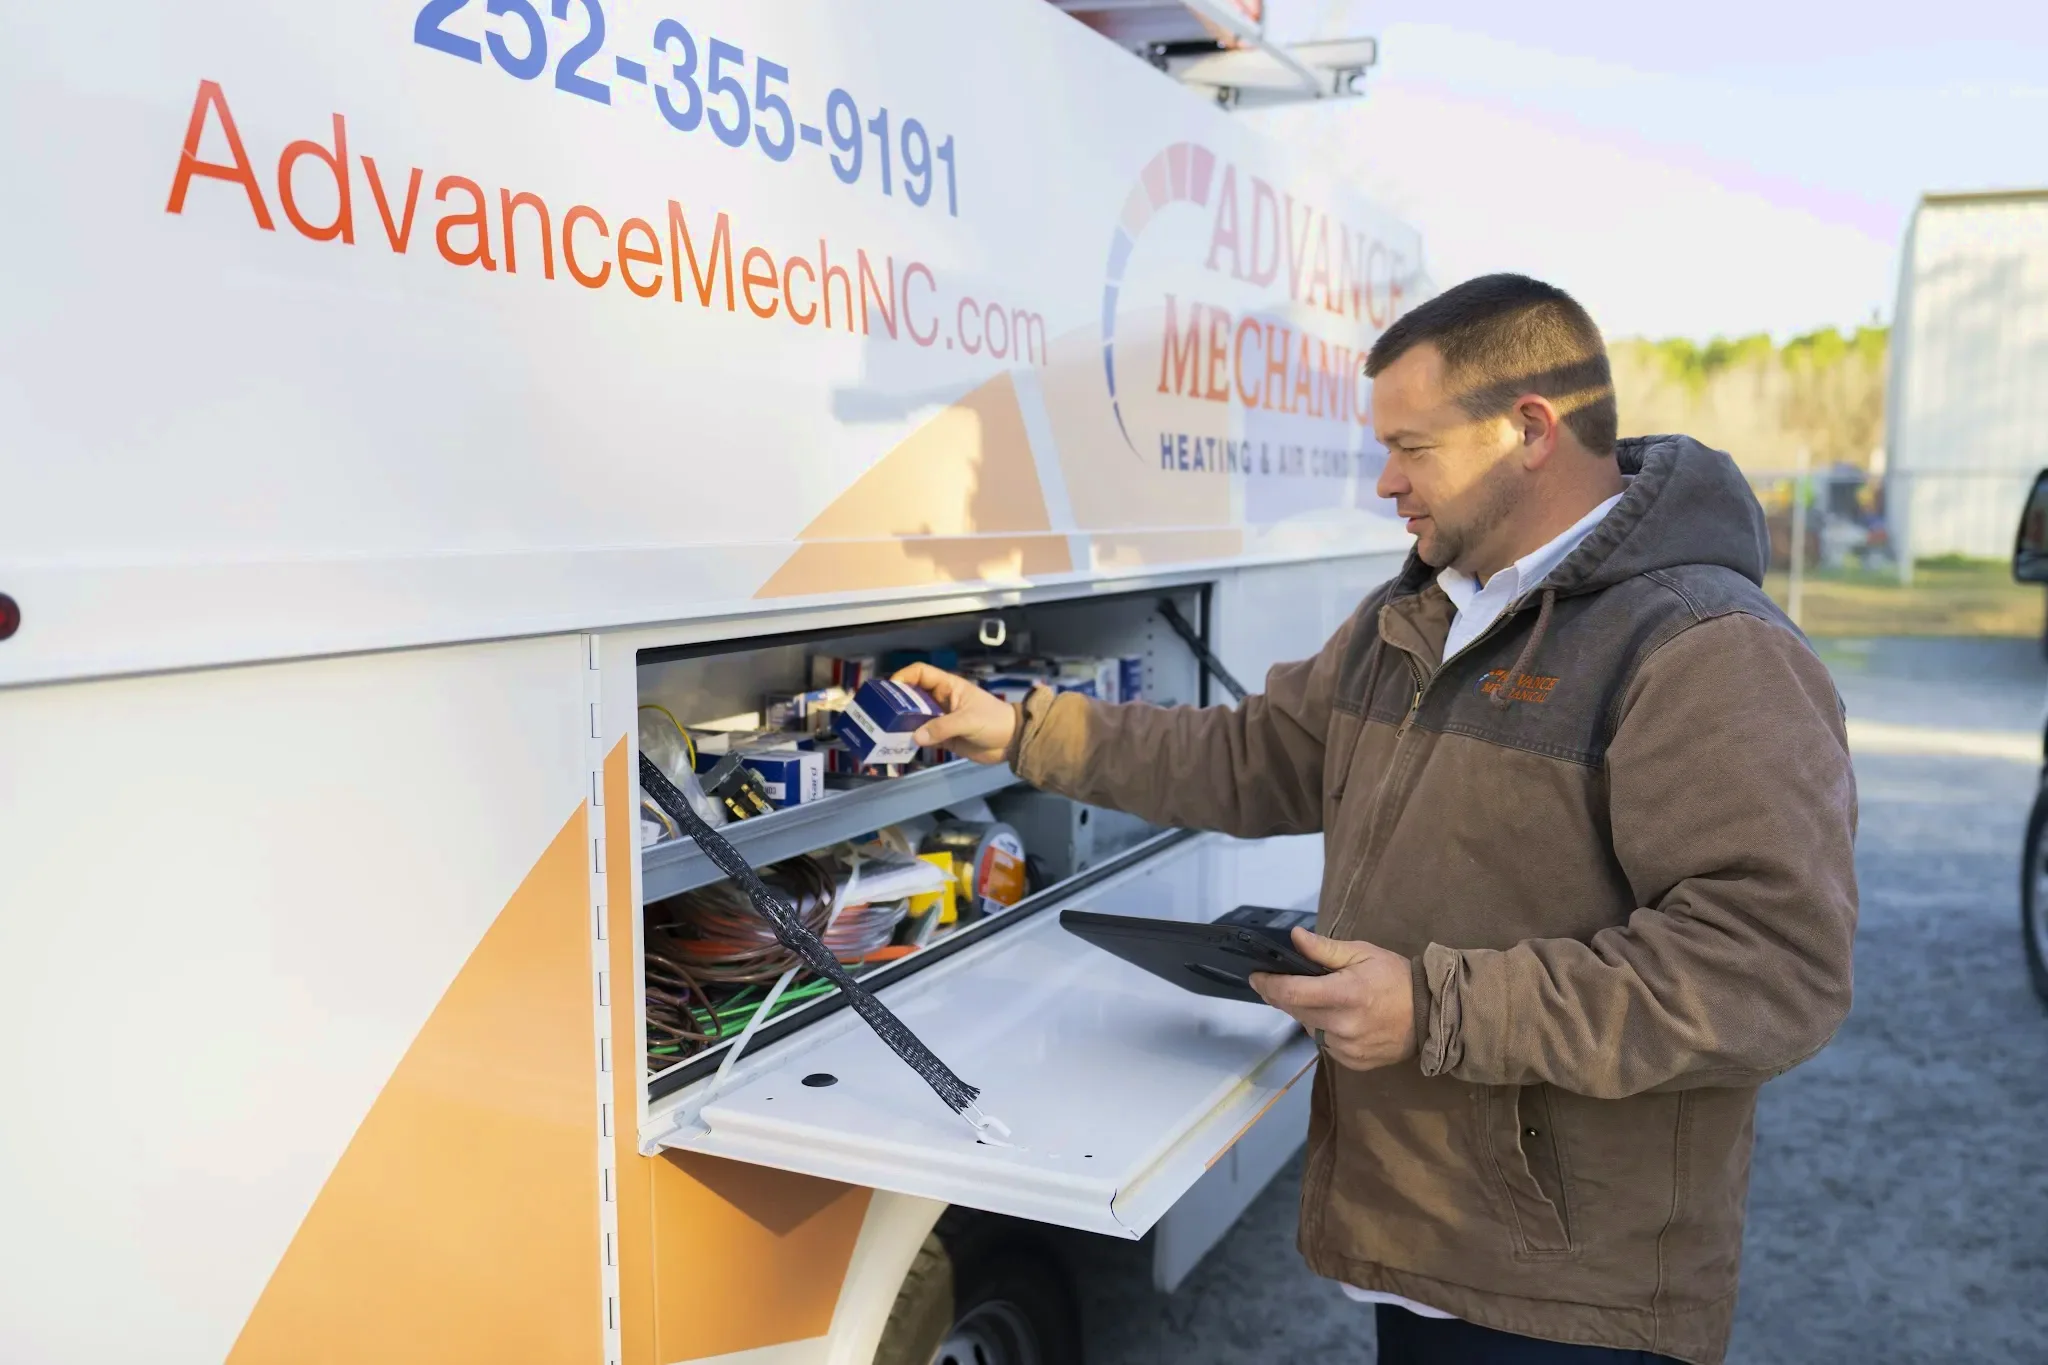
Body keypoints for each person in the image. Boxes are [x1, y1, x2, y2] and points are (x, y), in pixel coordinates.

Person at [895, 274, 1860, 1363]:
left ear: (1529, 429)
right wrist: (1025, 731)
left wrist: (1435, 1008)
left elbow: (1768, 971)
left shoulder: (1704, 649)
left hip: (1570, 1291)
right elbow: (1253, 756)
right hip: (1425, 1241)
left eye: (1412, 447)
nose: (1384, 481)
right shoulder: (1420, 612)